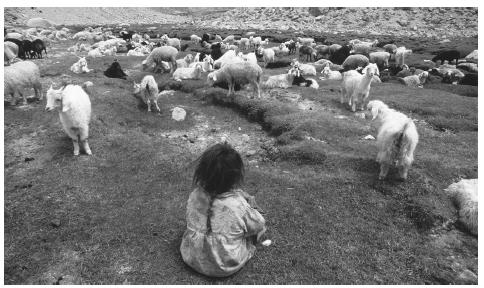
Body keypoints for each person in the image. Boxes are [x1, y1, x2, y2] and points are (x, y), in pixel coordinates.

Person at [180, 142, 266, 277]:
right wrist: (251, 206)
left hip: (191, 258)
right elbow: (259, 224)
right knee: (259, 228)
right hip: (224, 266)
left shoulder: (195, 194)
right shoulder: (238, 205)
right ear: (236, 177)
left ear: (202, 172)